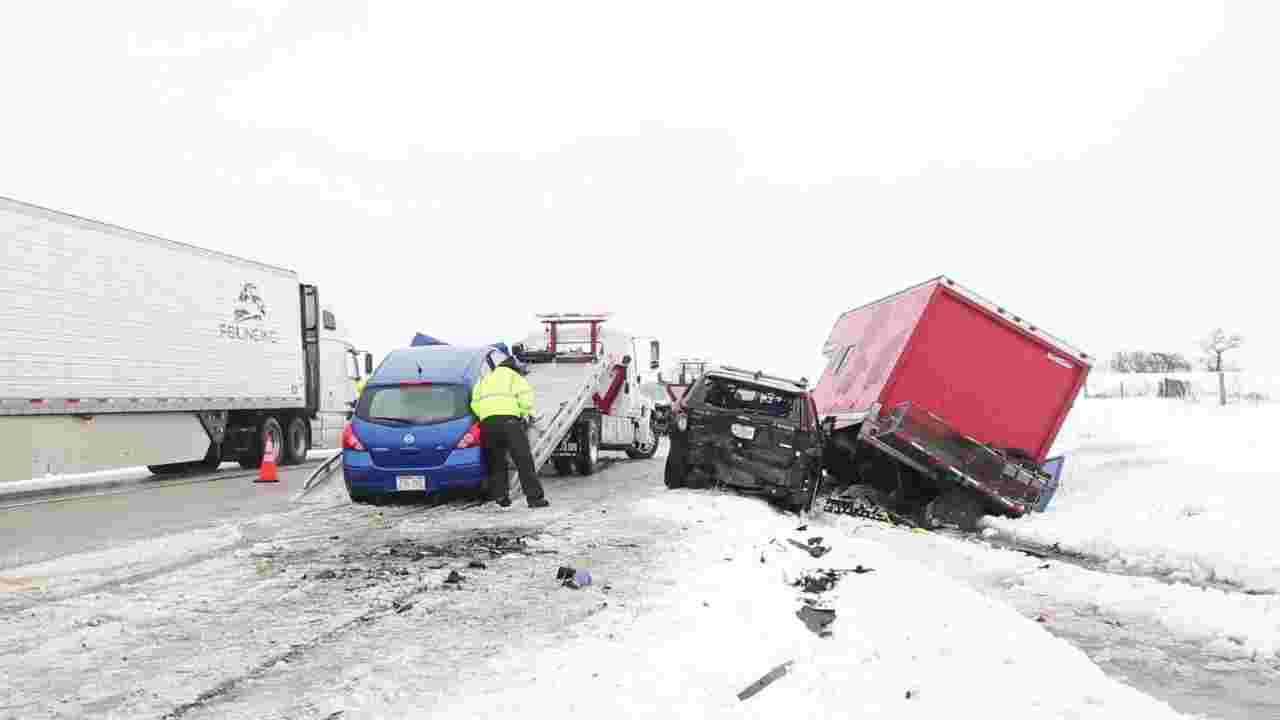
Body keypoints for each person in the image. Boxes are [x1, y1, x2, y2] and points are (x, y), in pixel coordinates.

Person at [470, 357, 549, 508]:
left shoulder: (485, 379)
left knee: (496, 461)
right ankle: (534, 498)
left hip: (488, 424)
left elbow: (474, 402)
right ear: (515, 368)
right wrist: (522, 414)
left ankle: (501, 497)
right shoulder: (514, 377)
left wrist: (485, 416)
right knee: (523, 460)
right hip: (510, 422)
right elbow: (526, 397)